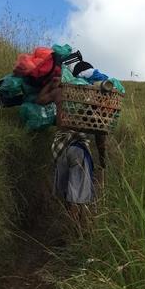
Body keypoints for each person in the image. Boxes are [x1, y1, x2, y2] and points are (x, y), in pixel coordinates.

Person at [36, 72, 107, 219]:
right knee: (79, 198)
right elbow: (100, 134)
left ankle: (69, 226)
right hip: (78, 150)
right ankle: (77, 231)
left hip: (60, 148)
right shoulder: (91, 96)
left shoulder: (59, 91)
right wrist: (102, 160)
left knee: (67, 193)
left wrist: (50, 84)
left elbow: (40, 99)